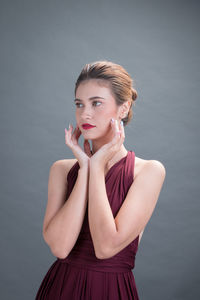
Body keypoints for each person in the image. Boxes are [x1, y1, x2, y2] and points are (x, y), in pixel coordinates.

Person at [35, 60, 166, 299]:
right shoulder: (62, 170)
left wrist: (96, 168)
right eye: (79, 104)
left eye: (96, 103)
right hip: (60, 289)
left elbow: (106, 247)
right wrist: (85, 168)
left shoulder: (148, 171)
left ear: (123, 109)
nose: (85, 113)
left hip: (109, 291)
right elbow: (60, 247)